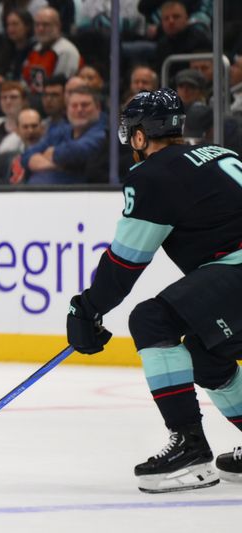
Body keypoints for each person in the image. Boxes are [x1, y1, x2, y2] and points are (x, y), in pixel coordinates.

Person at [66, 88, 242, 493]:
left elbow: (125, 263)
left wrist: (87, 308)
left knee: (150, 320)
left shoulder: (152, 175)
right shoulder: (218, 152)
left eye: (132, 135)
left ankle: (191, 450)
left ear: (142, 136)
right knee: (207, 354)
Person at [21, 85, 107, 184]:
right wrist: (60, 165)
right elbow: (26, 156)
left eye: (85, 105)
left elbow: (76, 152)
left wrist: (51, 152)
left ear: (98, 107)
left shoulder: (104, 132)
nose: (79, 110)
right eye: (74, 106)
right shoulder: (62, 130)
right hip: (39, 193)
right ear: (67, 110)